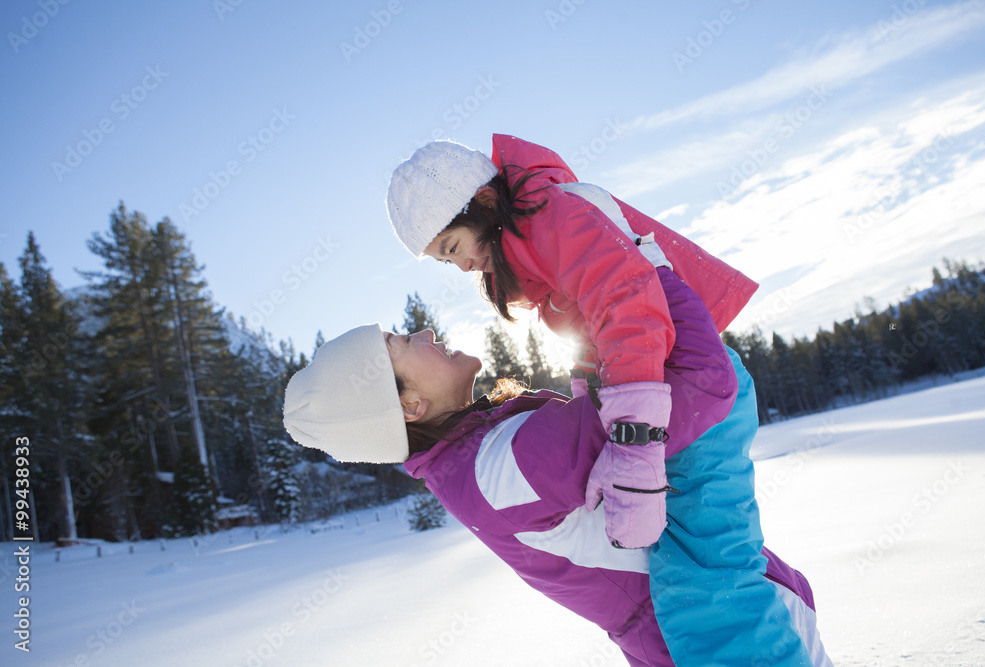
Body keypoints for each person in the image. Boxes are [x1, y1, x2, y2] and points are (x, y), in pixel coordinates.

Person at [384, 135, 819, 665]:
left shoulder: (554, 218)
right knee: (708, 572)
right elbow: (600, 333)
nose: (460, 266)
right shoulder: (537, 244)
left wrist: (632, 447)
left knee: (709, 589)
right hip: (678, 391)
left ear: (484, 203)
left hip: (689, 391)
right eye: (443, 260)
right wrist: (592, 392)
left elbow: (627, 305)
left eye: (452, 248)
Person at [283, 324, 832, 667]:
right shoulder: (498, 468)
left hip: (721, 623)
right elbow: (680, 392)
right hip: (720, 638)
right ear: (408, 408)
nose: (424, 332)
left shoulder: (480, 457)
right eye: (402, 344)